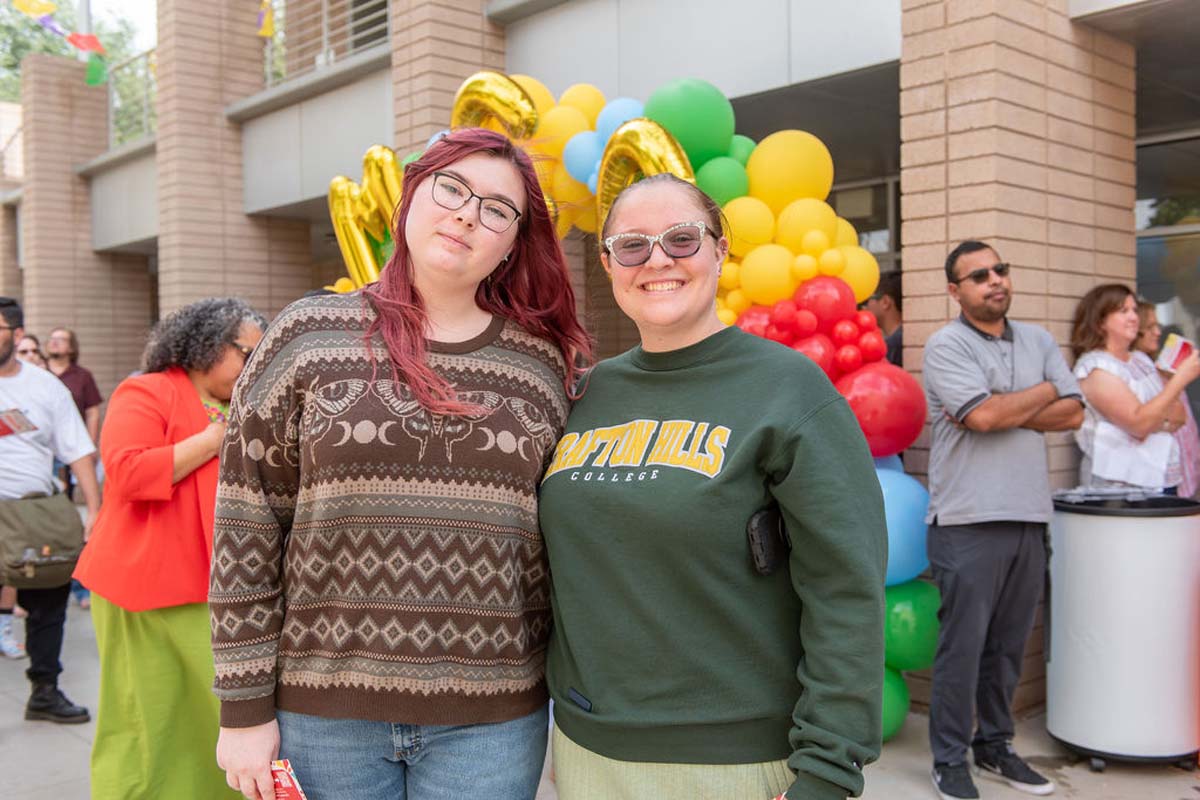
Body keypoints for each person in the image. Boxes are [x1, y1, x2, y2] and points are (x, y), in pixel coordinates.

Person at [210, 128, 591, 800]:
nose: (469, 213)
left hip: (492, 722)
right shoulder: (306, 335)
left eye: (498, 209)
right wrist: (243, 709)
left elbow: (573, 541)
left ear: (511, 243)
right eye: (453, 188)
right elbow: (247, 525)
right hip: (324, 715)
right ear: (412, 195)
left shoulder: (541, 367)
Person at [538, 173, 887, 800]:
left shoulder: (788, 388)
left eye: (681, 238)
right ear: (609, 262)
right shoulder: (584, 394)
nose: (658, 261)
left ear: (720, 249)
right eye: (633, 245)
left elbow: (844, 588)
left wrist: (830, 769)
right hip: (589, 752)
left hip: (736, 762)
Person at [72, 298, 265, 799]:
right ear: (208, 345)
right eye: (247, 353)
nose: (252, 367)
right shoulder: (147, 389)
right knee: (147, 719)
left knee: (214, 720)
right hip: (145, 584)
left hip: (218, 585)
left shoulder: (242, 403)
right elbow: (130, 472)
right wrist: (215, 438)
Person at [923, 241, 1084, 800]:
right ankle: (949, 761)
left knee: (1008, 649)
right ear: (955, 291)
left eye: (1001, 270)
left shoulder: (1037, 339)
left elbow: (1075, 411)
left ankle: (995, 746)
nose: (995, 280)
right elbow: (984, 417)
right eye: (979, 275)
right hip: (966, 521)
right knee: (962, 651)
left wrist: (1005, 404)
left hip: (1027, 516)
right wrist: (1043, 391)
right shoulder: (946, 345)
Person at [0, 296, 100, 723]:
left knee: (48, 601)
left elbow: (77, 450)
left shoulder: (44, 387)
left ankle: (44, 690)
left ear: (17, 334)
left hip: (34, 513)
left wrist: (95, 510)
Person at [1070, 285, 1199, 492]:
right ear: (1100, 321)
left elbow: (1179, 417)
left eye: (1133, 310)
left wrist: (1152, 420)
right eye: (1123, 311)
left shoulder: (1140, 360)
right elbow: (1139, 424)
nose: (1133, 317)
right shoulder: (1096, 368)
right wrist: (1179, 380)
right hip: (1119, 489)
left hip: (1159, 479)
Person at [1133, 300, 1199, 497]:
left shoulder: (1153, 369)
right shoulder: (1135, 369)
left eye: (1158, 326)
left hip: (1171, 468)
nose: (1158, 333)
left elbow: (1180, 420)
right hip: (1152, 473)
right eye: (1151, 326)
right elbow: (1173, 419)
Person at [46, 327, 102, 444]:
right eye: (52, 338)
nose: (54, 342)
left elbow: (92, 413)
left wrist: (91, 445)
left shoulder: (83, 375)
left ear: (71, 348)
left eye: (61, 339)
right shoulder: (38, 372)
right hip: (44, 443)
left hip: (74, 443)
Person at [865, 270, 903, 367]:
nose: (865, 307)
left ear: (885, 302)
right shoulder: (903, 338)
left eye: (868, 299)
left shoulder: (895, 344)